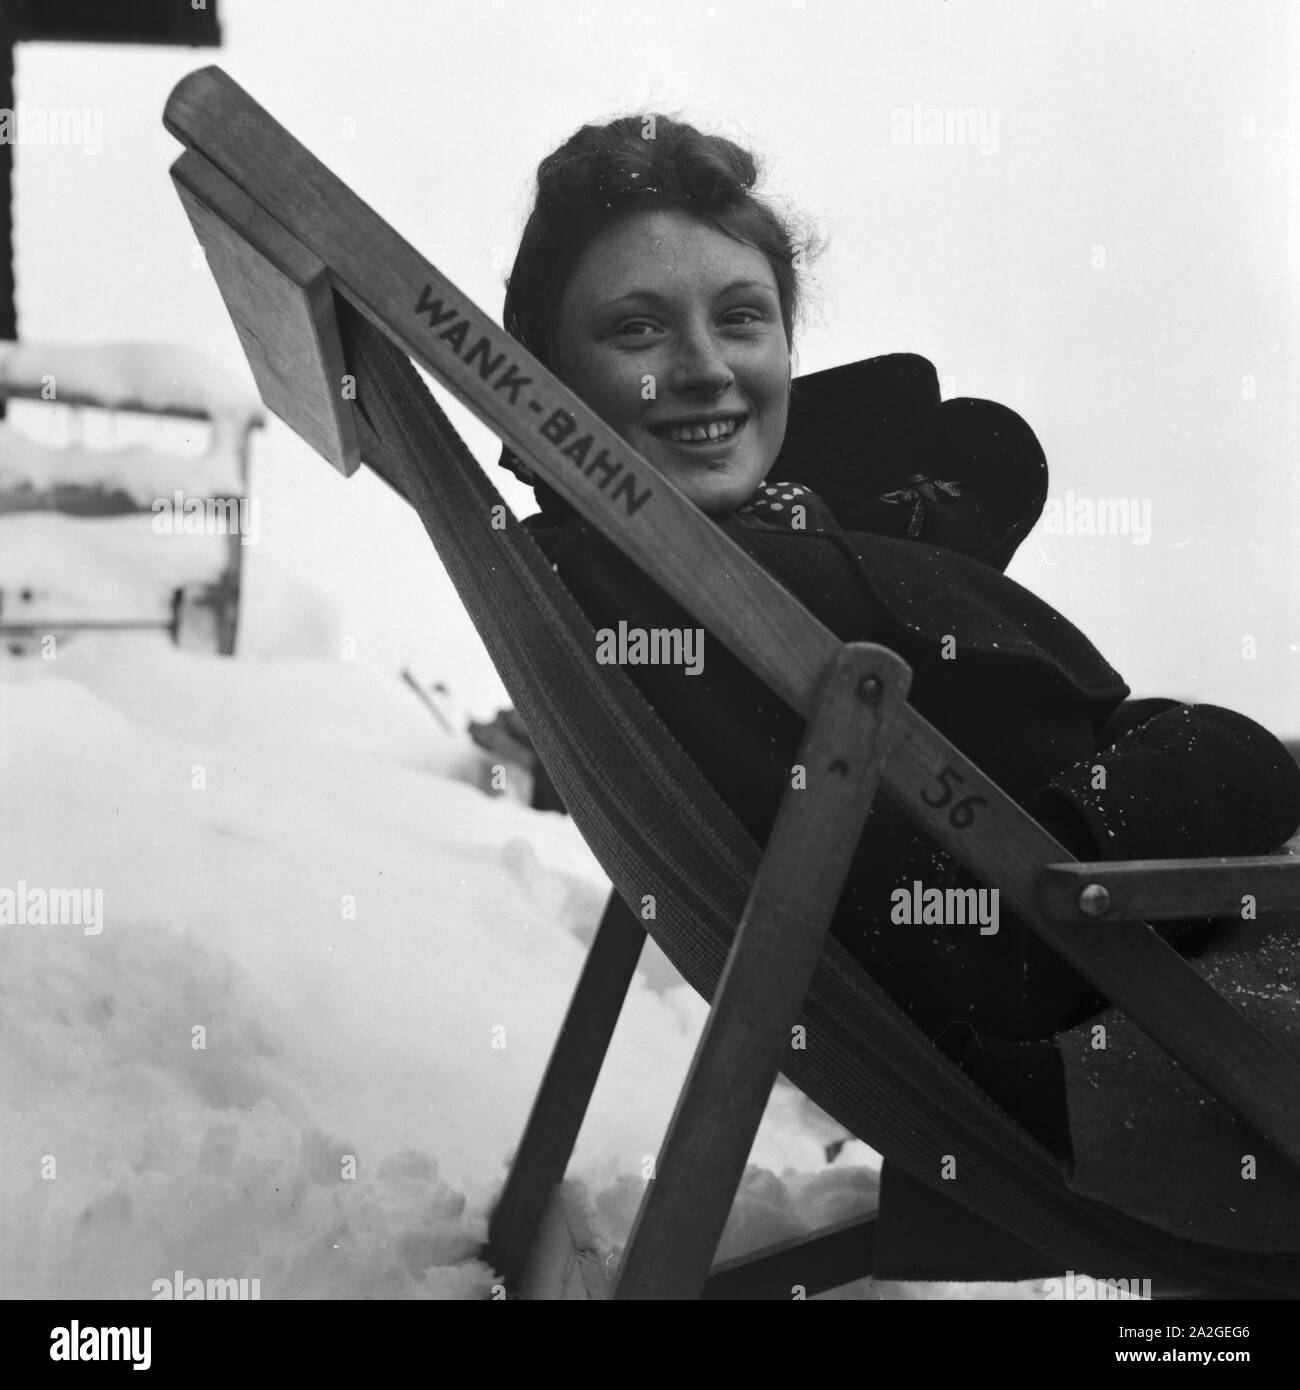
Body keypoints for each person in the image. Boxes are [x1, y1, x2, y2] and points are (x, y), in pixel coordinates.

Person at [494, 114, 1300, 1158]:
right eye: (637, 331)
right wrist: (1226, 761)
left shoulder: (618, 566)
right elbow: (991, 953)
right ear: (546, 376)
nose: (701, 368)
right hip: (1084, 1039)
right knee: (1234, 750)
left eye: (742, 318)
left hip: (1085, 951)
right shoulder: (676, 599)